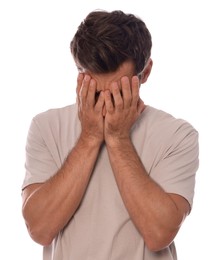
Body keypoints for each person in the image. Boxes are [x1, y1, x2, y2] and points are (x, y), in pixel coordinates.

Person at [21, 10, 199, 260]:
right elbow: (39, 229)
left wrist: (119, 139)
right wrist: (90, 137)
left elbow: (159, 234)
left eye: (117, 91)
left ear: (145, 73)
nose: (104, 103)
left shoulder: (177, 135)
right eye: (93, 89)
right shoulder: (46, 126)